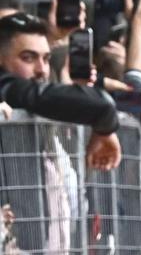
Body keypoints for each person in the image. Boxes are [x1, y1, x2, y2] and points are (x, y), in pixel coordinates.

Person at [0, 12, 120, 170]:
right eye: (28, 58)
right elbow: (102, 105)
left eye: (46, 59)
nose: (41, 69)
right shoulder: (7, 85)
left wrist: (77, 90)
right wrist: (105, 130)